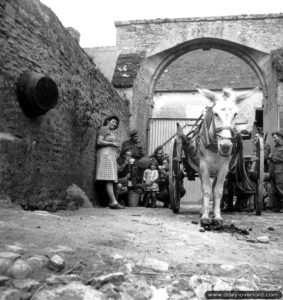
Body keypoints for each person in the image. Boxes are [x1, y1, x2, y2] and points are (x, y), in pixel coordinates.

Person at [95, 115, 124, 209]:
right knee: (109, 179)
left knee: (110, 179)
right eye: (113, 121)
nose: (114, 124)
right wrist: (112, 143)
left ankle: (110, 201)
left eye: (116, 123)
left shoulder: (110, 132)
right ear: (107, 121)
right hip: (105, 155)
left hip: (110, 155)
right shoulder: (104, 129)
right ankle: (113, 202)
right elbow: (99, 142)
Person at [268, 131, 283, 212]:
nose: (273, 139)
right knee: (274, 190)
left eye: (274, 137)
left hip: (281, 171)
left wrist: (273, 157)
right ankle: (277, 207)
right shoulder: (276, 147)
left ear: (280, 137)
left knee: (281, 189)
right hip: (273, 171)